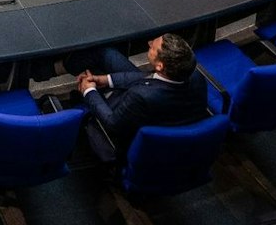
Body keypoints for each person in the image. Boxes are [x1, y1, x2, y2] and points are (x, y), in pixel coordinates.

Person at [63, 33, 209, 162]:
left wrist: (90, 91)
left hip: (130, 132)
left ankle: (51, 71)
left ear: (159, 66)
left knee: (84, 91)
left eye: (153, 47)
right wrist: (106, 79)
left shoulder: (141, 95)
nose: (149, 43)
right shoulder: (194, 77)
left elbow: (112, 123)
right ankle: (66, 64)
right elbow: (149, 77)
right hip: (162, 112)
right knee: (108, 54)